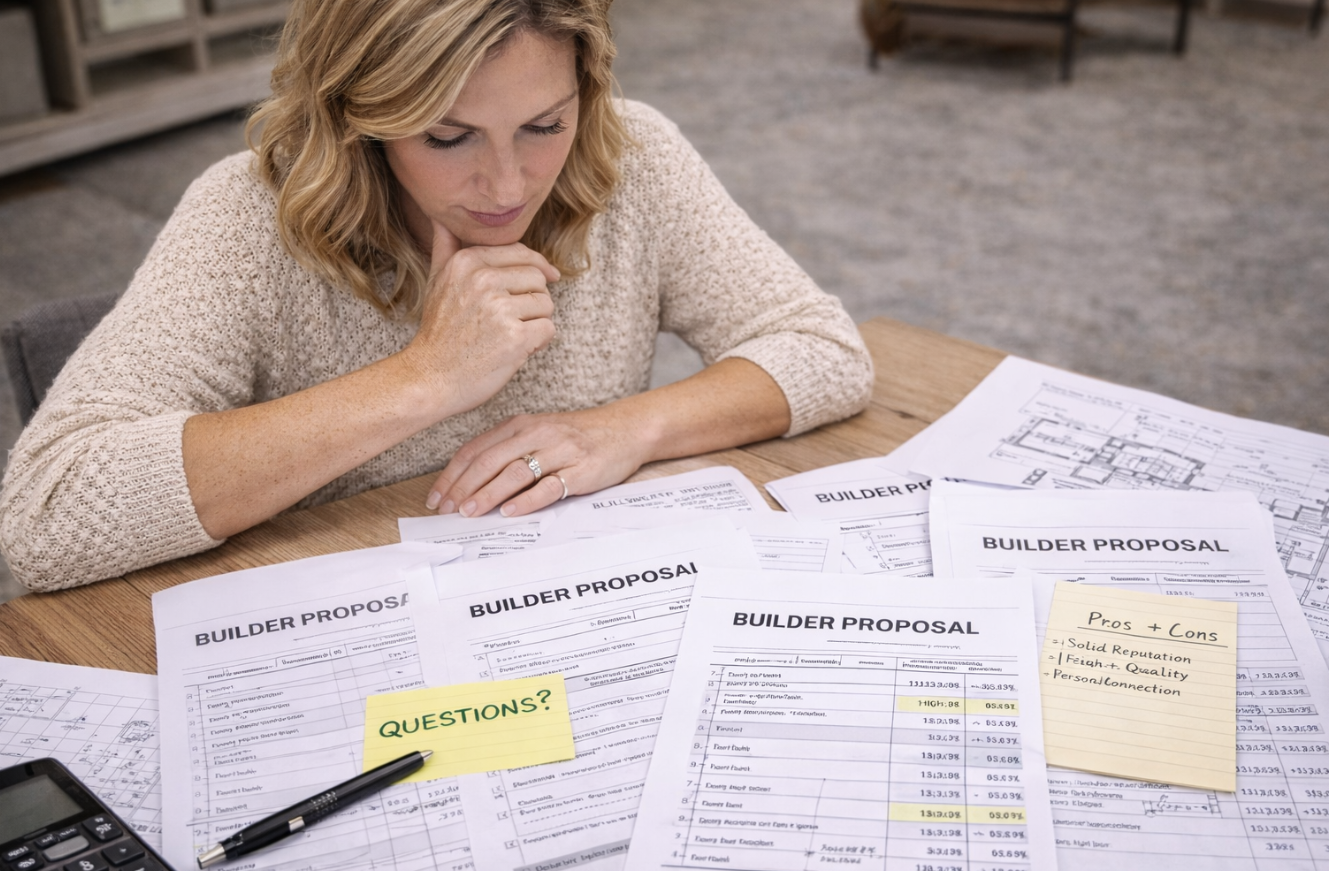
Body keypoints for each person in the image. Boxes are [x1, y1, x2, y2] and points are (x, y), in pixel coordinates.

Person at [0, 0, 873, 593]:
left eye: (544, 125)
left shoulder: (630, 157)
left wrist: (621, 428)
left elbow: (821, 350)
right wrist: (425, 377)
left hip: (560, 612)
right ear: (357, 118)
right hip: (339, 632)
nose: (507, 183)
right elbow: (46, 517)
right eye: (447, 136)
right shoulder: (244, 216)